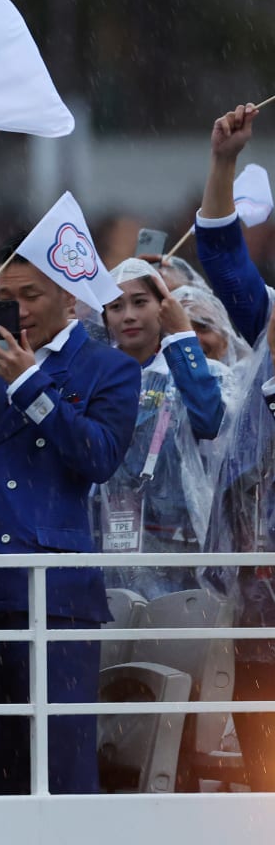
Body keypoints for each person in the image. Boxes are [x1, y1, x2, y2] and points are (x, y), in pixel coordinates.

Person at [0, 240, 140, 795]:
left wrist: (28, 383)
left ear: (69, 296)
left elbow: (97, 457)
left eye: (31, 295)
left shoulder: (107, 366)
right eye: (7, 296)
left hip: (54, 591)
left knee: (58, 763)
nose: (16, 309)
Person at [187, 103, 275, 789]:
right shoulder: (267, 319)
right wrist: (223, 162)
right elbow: (218, 250)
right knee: (263, 776)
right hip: (261, 600)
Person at [94, 259, 226, 599]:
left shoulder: (190, 368)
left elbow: (210, 421)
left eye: (140, 302)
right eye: (115, 306)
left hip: (178, 549)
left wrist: (182, 337)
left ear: (163, 307)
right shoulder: (91, 374)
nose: (128, 316)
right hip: (101, 543)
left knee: (174, 649)